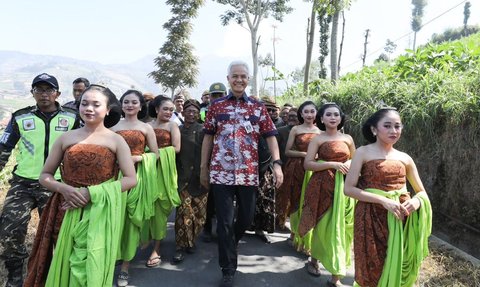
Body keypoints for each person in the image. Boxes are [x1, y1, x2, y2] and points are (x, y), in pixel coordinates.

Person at [37, 84, 137, 286]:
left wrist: (92, 193)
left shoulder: (116, 140)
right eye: (84, 104)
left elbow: (130, 179)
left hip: (100, 211)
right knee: (66, 262)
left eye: (96, 104)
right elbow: (45, 175)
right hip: (65, 210)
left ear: (108, 109)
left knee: (92, 263)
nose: (89, 108)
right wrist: (64, 188)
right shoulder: (66, 138)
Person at [200, 61, 284, 287]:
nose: (239, 80)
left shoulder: (257, 107)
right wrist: (203, 168)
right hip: (221, 173)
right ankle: (228, 269)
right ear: (228, 78)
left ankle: (229, 243)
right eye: (235, 76)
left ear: (248, 79)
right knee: (225, 222)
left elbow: (271, 136)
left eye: (243, 76)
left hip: (248, 173)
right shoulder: (215, 107)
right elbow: (208, 137)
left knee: (246, 218)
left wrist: (277, 164)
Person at [0, 73, 79, 287]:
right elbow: (4, 148)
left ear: (57, 94)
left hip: (57, 185)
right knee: (10, 231)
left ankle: (54, 277)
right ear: (32, 93)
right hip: (22, 184)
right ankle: (15, 279)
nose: (44, 94)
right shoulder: (20, 117)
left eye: (49, 90)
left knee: (59, 235)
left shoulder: (73, 118)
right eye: (39, 90)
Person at [344, 107, 432, 287]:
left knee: (396, 265)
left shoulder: (405, 158)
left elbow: (421, 192)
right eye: (388, 126)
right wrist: (383, 201)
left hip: (399, 218)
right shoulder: (363, 152)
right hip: (369, 217)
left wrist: (415, 201)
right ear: (374, 129)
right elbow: (349, 189)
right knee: (370, 267)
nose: (394, 131)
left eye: (397, 126)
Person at [298, 103, 356, 285]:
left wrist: (349, 164)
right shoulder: (318, 139)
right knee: (323, 226)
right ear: (321, 119)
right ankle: (314, 260)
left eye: (336, 115)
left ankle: (335, 275)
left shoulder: (348, 138)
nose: (333, 118)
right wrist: (332, 165)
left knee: (340, 228)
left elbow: (355, 159)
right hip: (322, 185)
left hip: (344, 188)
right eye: (328, 115)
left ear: (341, 118)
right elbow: (308, 164)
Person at [111, 89, 159, 287]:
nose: (130, 105)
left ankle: (125, 267)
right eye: (126, 102)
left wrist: (139, 158)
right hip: (115, 179)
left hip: (137, 178)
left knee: (131, 221)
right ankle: (113, 255)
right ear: (121, 105)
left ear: (141, 106)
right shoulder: (112, 128)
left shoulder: (146, 128)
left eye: (134, 102)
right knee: (114, 220)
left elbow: (156, 154)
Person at [143, 95, 181, 268]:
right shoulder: (146, 126)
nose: (169, 112)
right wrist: (147, 157)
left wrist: (156, 154)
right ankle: (143, 239)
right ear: (156, 109)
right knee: (144, 206)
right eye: (165, 109)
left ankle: (156, 249)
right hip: (146, 170)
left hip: (164, 172)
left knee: (160, 209)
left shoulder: (173, 126)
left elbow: (176, 148)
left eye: (171, 110)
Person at [279, 101, 321, 254]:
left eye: (312, 111)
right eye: (306, 112)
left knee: (310, 203)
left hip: (315, 170)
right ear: (301, 114)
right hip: (297, 169)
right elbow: (288, 151)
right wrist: (305, 155)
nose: (309, 115)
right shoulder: (296, 129)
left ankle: (306, 240)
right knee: (296, 201)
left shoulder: (321, 131)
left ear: (316, 114)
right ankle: (295, 233)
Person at [172, 99, 208, 264]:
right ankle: (180, 246)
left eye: (194, 111)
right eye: (188, 111)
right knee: (183, 214)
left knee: (199, 215)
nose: (191, 114)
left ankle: (192, 240)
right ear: (183, 112)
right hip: (183, 178)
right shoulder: (177, 130)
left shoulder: (204, 131)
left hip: (201, 179)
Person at [201, 81, 228, 242]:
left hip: (224, 164)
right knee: (208, 197)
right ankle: (206, 227)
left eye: (220, 95)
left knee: (224, 200)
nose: (217, 98)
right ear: (209, 97)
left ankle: (222, 228)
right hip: (208, 161)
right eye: (214, 95)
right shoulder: (201, 113)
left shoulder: (228, 113)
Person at [275, 107, 299, 230]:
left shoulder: (305, 132)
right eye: (290, 116)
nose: (291, 118)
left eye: (295, 116)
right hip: (283, 166)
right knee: (282, 195)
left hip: (300, 169)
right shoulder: (280, 131)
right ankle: (280, 220)